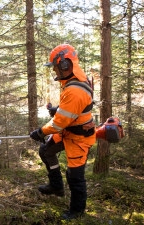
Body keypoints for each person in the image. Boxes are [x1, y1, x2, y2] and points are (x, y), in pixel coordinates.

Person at [30, 44, 96, 220]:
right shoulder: (73, 81)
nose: (55, 71)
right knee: (46, 150)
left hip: (79, 138)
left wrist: (40, 132)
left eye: (56, 67)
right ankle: (56, 186)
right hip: (68, 130)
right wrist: (58, 109)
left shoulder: (74, 90)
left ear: (65, 65)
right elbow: (71, 111)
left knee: (75, 176)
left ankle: (77, 211)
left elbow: (58, 124)